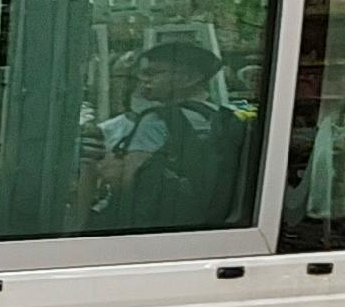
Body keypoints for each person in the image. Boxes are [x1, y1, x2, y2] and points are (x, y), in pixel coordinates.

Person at [93, 39, 240, 231]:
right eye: (142, 74)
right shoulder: (225, 117)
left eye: (153, 73)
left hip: (154, 225)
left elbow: (131, 179)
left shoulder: (156, 121)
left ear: (190, 78)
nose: (144, 80)